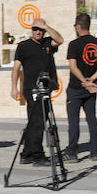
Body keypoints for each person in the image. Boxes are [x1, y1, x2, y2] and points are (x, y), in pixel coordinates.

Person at [10, 18, 63, 167]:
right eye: (35, 29)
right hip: (32, 89)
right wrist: (14, 88)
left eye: (40, 29)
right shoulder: (24, 46)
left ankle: (26, 154)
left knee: (36, 122)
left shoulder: (47, 43)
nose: (38, 32)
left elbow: (60, 40)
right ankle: (38, 156)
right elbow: (16, 69)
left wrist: (46, 25)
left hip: (46, 88)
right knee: (38, 123)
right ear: (31, 30)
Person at [65, 13, 97, 162]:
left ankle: (72, 152)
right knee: (91, 119)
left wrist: (84, 81)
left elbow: (73, 67)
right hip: (91, 88)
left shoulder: (74, 44)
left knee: (74, 121)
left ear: (78, 27)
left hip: (76, 88)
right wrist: (92, 79)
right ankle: (95, 152)